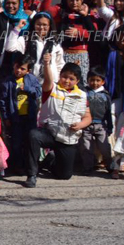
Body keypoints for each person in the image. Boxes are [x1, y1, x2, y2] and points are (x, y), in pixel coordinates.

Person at [27, 58, 91, 187]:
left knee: (64, 175)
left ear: (77, 81)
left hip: (67, 137)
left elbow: (88, 117)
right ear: (60, 75)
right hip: (49, 133)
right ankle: (32, 174)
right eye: (64, 77)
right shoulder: (51, 88)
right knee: (33, 135)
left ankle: (49, 160)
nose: (67, 81)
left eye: (71, 79)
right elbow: (48, 80)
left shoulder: (82, 95)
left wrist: (80, 125)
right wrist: (46, 64)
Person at [0, 55, 42, 175]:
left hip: (29, 117)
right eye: (17, 67)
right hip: (15, 118)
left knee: (29, 142)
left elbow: (38, 92)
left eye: (22, 69)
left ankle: (30, 166)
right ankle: (17, 165)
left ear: (28, 70)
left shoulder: (32, 80)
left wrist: (27, 88)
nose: (19, 71)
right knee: (16, 143)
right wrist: (6, 117)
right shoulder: (8, 81)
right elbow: (3, 101)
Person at [83, 69, 114, 173]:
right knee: (86, 147)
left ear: (103, 82)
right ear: (87, 80)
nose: (95, 83)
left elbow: (108, 112)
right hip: (86, 125)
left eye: (98, 80)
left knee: (104, 146)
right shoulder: (84, 93)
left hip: (101, 125)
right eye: (92, 80)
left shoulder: (105, 95)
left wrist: (110, 126)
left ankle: (110, 165)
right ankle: (88, 167)